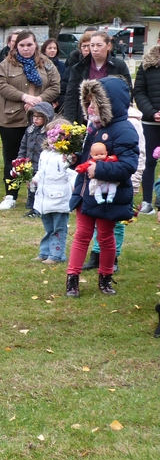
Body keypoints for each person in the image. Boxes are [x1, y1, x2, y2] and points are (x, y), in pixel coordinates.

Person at [65, 77, 137, 298]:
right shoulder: (94, 128)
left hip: (108, 195)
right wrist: (75, 158)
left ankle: (105, 277)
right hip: (87, 191)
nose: (89, 107)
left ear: (108, 104)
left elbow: (128, 166)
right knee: (82, 234)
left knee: (105, 237)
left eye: (94, 102)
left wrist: (100, 171)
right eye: (87, 102)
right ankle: (72, 278)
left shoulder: (125, 130)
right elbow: (88, 159)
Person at [0, 29, 60, 211]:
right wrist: (24, 97)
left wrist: (38, 101)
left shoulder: (46, 64)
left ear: (36, 45)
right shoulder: (6, 64)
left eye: (29, 44)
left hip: (40, 119)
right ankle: (11, 195)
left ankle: (39, 194)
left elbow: (55, 85)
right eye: (21, 45)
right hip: (12, 118)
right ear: (16, 46)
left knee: (42, 157)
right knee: (12, 158)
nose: (25, 49)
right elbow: (0, 85)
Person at [30, 117, 76, 264]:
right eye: (49, 136)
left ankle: (56, 254)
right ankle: (45, 251)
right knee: (48, 227)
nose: (51, 140)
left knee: (58, 227)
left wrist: (75, 187)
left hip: (60, 197)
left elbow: (72, 174)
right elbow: (41, 170)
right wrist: (35, 179)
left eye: (55, 137)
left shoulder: (66, 156)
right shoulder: (45, 154)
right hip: (44, 197)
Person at [63, 31, 131, 126]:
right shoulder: (78, 68)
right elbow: (71, 97)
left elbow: (127, 93)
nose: (95, 49)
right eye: (92, 45)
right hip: (84, 120)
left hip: (111, 119)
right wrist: (69, 124)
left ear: (108, 46)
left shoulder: (119, 65)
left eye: (99, 45)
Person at [132, 41, 160, 214]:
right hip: (151, 122)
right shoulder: (147, 64)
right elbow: (139, 91)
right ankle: (147, 201)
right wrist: (152, 113)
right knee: (149, 162)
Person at [17, 101, 53, 215]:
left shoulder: (49, 133)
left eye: (39, 117)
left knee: (40, 185)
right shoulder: (29, 130)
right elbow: (23, 145)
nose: (36, 119)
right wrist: (20, 159)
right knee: (30, 183)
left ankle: (39, 204)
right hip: (30, 162)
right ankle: (31, 201)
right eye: (34, 116)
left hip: (42, 164)